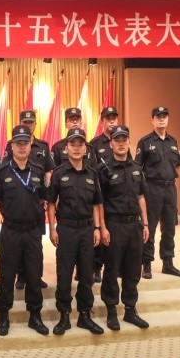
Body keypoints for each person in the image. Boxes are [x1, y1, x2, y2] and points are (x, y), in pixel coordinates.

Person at [47, 128, 104, 335]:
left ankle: (84, 315)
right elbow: (51, 203)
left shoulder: (92, 174)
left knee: (87, 275)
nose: (77, 148)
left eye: (81, 144)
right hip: (66, 229)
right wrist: (52, 229)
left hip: (87, 229)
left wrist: (97, 228)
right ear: (67, 147)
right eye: (73, 144)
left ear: (85, 148)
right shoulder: (59, 173)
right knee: (64, 274)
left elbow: (97, 204)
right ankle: (64, 316)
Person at [0, 125, 49, 336]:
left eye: (25, 143)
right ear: (12, 146)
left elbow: (42, 198)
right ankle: (4, 315)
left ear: (30, 145)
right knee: (6, 274)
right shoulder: (2, 171)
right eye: (18, 143)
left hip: (33, 231)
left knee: (34, 274)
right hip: (11, 231)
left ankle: (35, 315)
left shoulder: (38, 170)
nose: (22, 147)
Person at [98, 126, 150, 331]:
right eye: (117, 140)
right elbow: (99, 203)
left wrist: (145, 223)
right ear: (111, 143)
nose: (121, 143)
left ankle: (130, 309)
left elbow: (141, 197)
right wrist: (102, 227)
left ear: (129, 142)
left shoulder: (137, 168)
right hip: (114, 224)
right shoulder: (103, 170)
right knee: (111, 268)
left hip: (134, 225)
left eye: (124, 140)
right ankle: (111, 310)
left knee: (133, 268)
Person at [3, 109, 54, 290]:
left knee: (35, 245)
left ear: (35, 124)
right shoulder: (11, 145)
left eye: (30, 122)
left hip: (36, 202)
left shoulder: (43, 146)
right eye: (25, 122)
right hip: (16, 200)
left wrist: (46, 196)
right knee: (16, 246)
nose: (28, 125)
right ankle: (21, 276)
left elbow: (48, 172)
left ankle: (35, 276)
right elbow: (6, 169)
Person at [135, 106, 180, 279]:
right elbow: (137, 168)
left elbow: (179, 164)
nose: (162, 119)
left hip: (170, 190)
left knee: (169, 228)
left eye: (164, 116)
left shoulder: (173, 142)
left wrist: (169, 177)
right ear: (153, 120)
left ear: (168, 119)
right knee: (149, 228)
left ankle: (168, 263)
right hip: (152, 189)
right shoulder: (145, 142)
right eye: (158, 116)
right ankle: (146, 264)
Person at [88, 106, 120, 284]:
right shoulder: (94, 143)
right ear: (102, 122)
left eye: (114, 118)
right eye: (108, 119)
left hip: (117, 195)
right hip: (100, 194)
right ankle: (96, 267)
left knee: (115, 231)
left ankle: (114, 265)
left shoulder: (122, 139)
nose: (112, 121)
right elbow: (90, 170)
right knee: (98, 229)